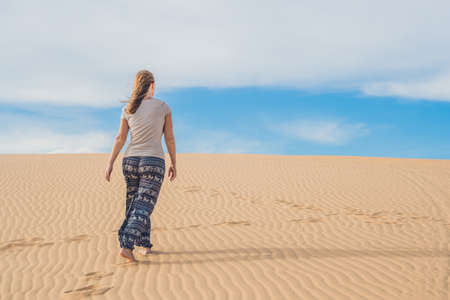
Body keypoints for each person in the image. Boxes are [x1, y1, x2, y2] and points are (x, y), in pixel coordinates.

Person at [104, 69, 177, 263]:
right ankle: (127, 246)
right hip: (153, 161)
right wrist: (174, 163)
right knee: (143, 205)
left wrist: (110, 162)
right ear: (151, 85)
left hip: (130, 161)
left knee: (136, 203)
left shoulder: (129, 108)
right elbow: (169, 138)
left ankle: (144, 244)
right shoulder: (163, 106)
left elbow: (120, 138)